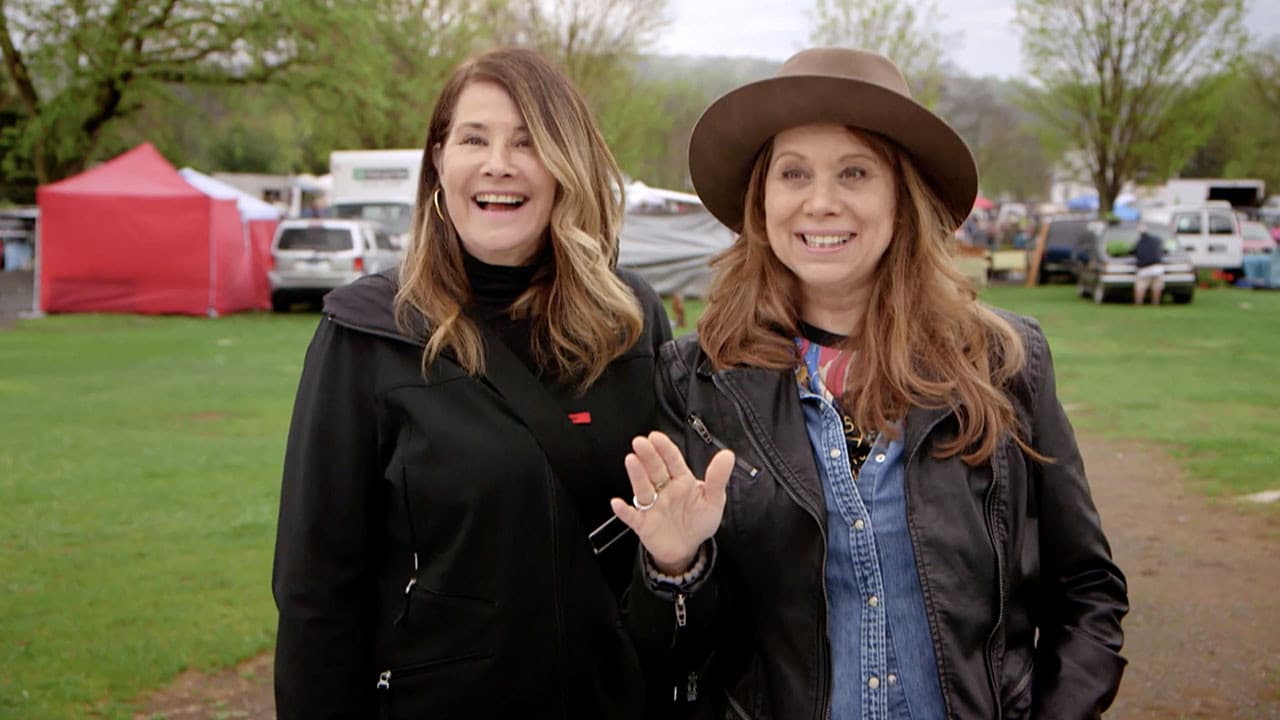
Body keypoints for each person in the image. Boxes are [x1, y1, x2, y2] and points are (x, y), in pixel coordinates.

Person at [610, 48, 1128, 719]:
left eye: (854, 172)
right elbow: (671, 656)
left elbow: (1086, 591)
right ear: (761, 202)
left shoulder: (1002, 361)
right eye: (794, 173)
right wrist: (676, 569)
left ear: (901, 197)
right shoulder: (697, 382)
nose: (821, 202)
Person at [272, 47, 671, 719]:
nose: (498, 164)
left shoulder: (629, 321)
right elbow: (317, 590)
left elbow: (674, 554)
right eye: (474, 139)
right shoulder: (368, 333)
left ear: (567, 164)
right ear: (439, 161)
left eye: (528, 142)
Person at [1132, 224, 1165, 305]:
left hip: (1144, 268)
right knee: (1156, 287)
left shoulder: (1139, 243)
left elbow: (1134, 252)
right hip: (1157, 268)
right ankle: (1155, 303)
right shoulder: (1156, 240)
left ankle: (1138, 303)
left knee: (1140, 287)